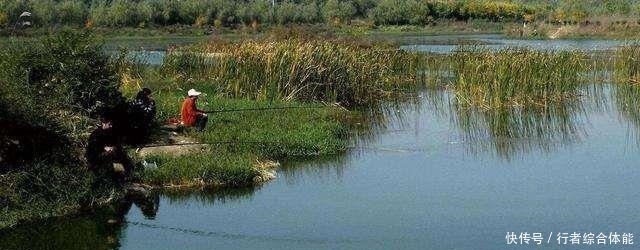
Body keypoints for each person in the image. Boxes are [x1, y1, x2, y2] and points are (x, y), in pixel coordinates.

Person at [86, 118, 134, 185]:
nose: (111, 126)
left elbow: (118, 146)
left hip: (112, 156)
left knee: (127, 162)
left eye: (112, 124)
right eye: (110, 124)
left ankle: (126, 179)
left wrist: (114, 148)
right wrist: (104, 148)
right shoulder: (95, 134)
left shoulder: (111, 134)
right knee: (111, 163)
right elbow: (92, 150)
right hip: (97, 159)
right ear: (104, 123)